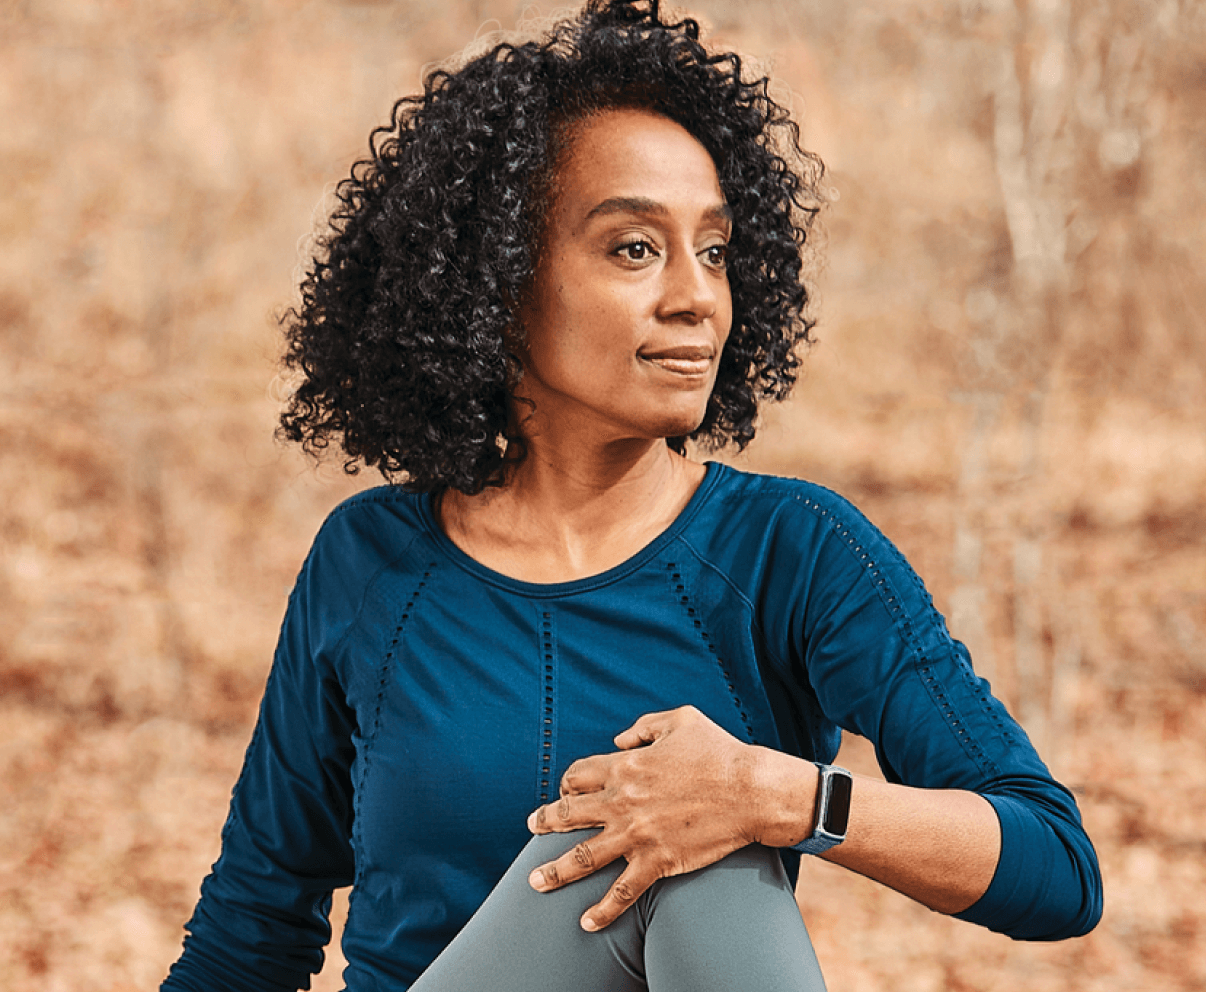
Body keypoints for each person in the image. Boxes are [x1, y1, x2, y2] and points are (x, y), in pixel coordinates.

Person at [161, 2, 1103, 989]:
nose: (696, 296)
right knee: (674, 840)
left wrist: (782, 793)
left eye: (715, 250)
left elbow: (1055, 863)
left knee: (709, 833)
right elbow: (253, 923)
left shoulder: (793, 551)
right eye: (633, 248)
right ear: (497, 281)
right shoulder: (373, 563)